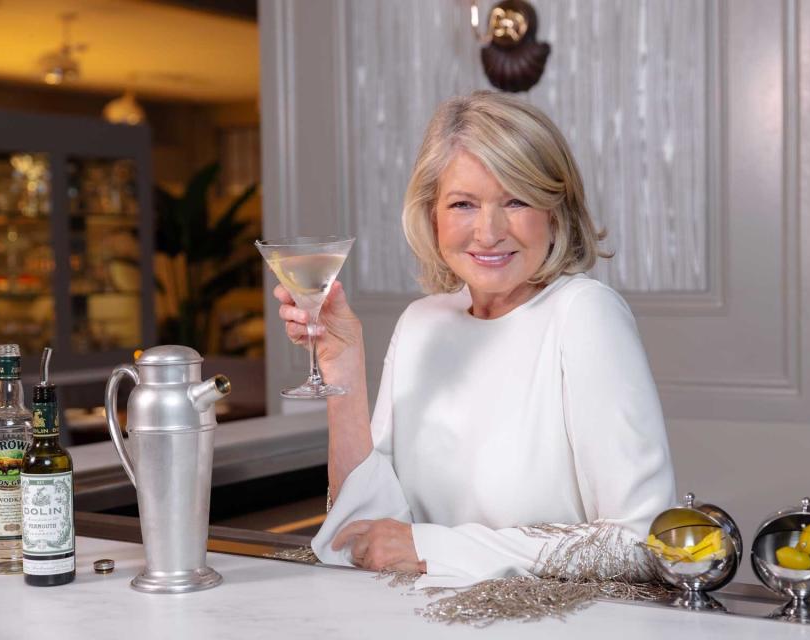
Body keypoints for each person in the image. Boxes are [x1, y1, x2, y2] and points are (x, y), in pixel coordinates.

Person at [275, 90, 675, 583]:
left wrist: (431, 548)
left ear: (555, 211)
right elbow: (363, 533)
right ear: (432, 215)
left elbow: (641, 542)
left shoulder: (583, 314)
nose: (488, 231)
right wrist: (343, 367)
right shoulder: (421, 322)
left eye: (516, 200)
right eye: (463, 204)